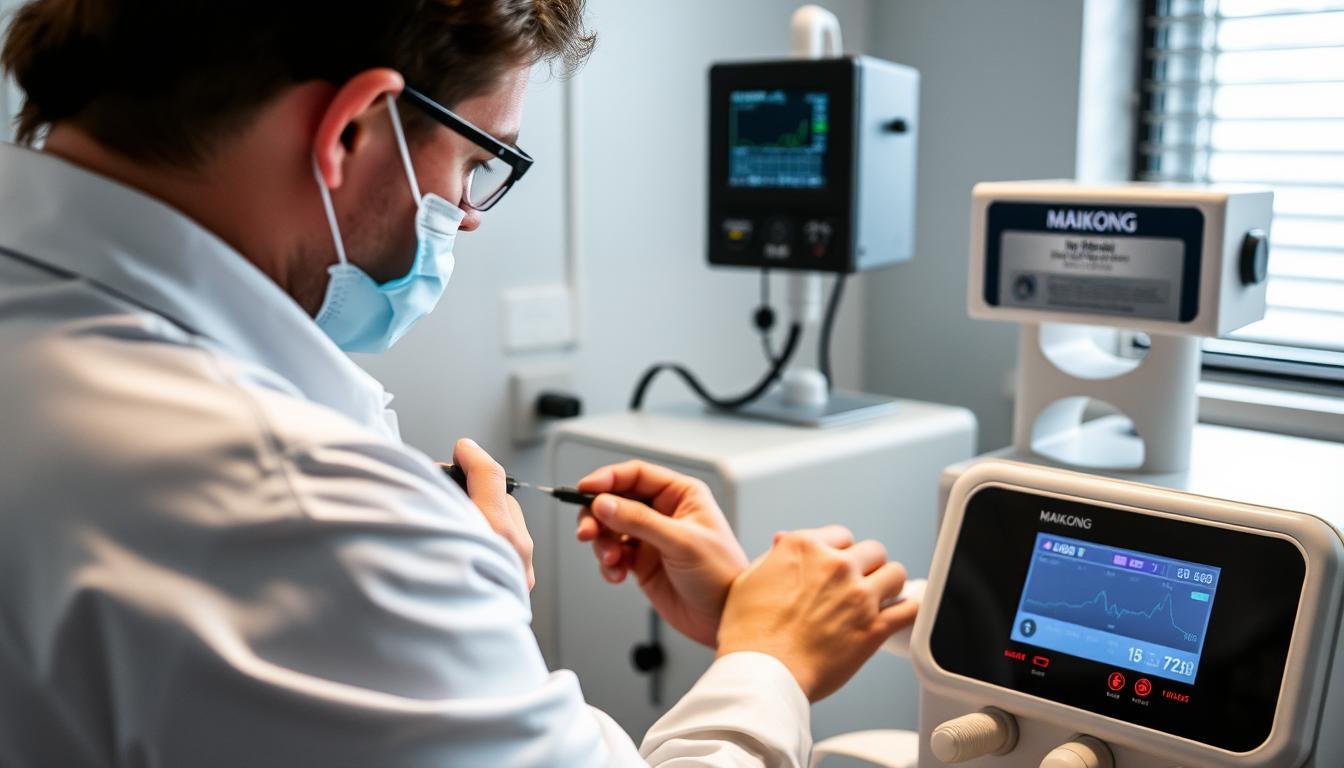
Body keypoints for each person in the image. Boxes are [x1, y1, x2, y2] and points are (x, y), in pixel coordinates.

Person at [0, 1, 918, 766]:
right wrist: (769, 659)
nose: (469, 217)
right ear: (351, 127)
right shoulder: (312, 518)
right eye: (479, 162)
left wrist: (459, 605)